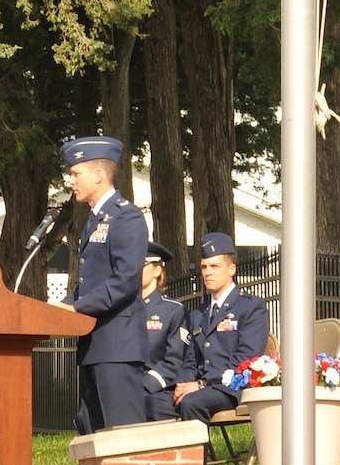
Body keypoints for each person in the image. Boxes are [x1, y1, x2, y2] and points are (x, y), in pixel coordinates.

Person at [61, 134, 149, 435]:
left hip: (117, 348)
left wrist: (76, 308)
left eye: (76, 173)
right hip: (93, 345)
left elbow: (124, 282)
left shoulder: (127, 217)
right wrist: (63, 306)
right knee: (95, 437)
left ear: (98, 175)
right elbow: (90, 282)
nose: (70, 181)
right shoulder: (93, 220)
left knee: (123, 438)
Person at [179, 231, 270, 425]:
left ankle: (196, 457)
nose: (207, 272)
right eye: (204, 266)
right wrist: (183, 383)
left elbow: (247, 356)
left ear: (231, 269)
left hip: (233, 387)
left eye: (214, 266)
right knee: (156, 404)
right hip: (202, 389)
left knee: (191, 403)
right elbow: (190, 359)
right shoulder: (198, 314)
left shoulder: (251, 307)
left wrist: (202, 383)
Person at [141, 240, 187, 423]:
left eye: (140, 264)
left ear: (157, 271)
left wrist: (144, 385)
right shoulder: (123, 310)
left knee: (140, 407)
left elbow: (174, 362)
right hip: (126, 387)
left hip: (158, 390)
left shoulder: (173, 311)